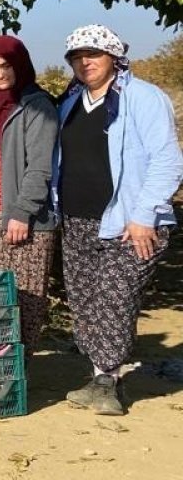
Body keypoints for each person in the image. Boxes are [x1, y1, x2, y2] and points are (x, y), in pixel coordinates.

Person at [53, 25, 183, 416]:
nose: (84, 62)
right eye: (77, 57)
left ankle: (108, 381)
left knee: (114, 298)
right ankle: (99, 376)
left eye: (93, 54)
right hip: (77, 219)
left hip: (129, 223)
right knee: (86, 302)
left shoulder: (141, 97)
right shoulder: (71, 101)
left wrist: (144, 216)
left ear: (114, 57)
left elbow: (166, 159)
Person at [0, 36, 58, 354]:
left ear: (20, 64)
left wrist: (22, 211)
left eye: (5, 66)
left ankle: (18, 370)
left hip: (16, 217)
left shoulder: (36, 106)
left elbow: (40, 166)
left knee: (21, 299)